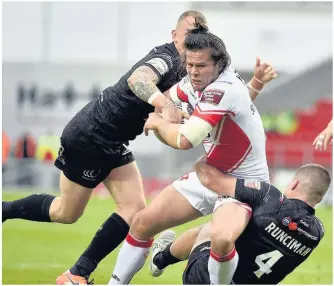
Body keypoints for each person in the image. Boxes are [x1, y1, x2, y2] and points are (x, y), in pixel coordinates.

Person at [2, 10, 207, 285]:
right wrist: (165, 106)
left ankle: (76, 274)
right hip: (91, 137)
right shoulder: (166, 58)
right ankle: (6, 212)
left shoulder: (188, 69)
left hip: (112, 142)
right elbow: (138, 80)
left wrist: (163, 123)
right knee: (67, 213)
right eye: (189, 34)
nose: (194, 40)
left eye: (199, 35)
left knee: (133, 208)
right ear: (174, 36)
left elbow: (159, 120)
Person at [108, 24, 277, 285]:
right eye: (190, 65)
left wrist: (158, 123)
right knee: (142, 222)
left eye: (201, 66)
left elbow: (185, 140)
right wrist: (163, 108)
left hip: (242, 184)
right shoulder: (193, 81)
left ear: (219, 64)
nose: (194, 72)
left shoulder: (223, 88)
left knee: (219, 239)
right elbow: (166, 97)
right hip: (210, 172)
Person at [150, 162, 330, 285]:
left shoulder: (269, 197)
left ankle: (160, 260)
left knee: (215, 227)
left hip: (206, 278)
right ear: (320, 198)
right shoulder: (317, 232)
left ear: (294, 183)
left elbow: (210, 179)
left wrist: (204, 160)